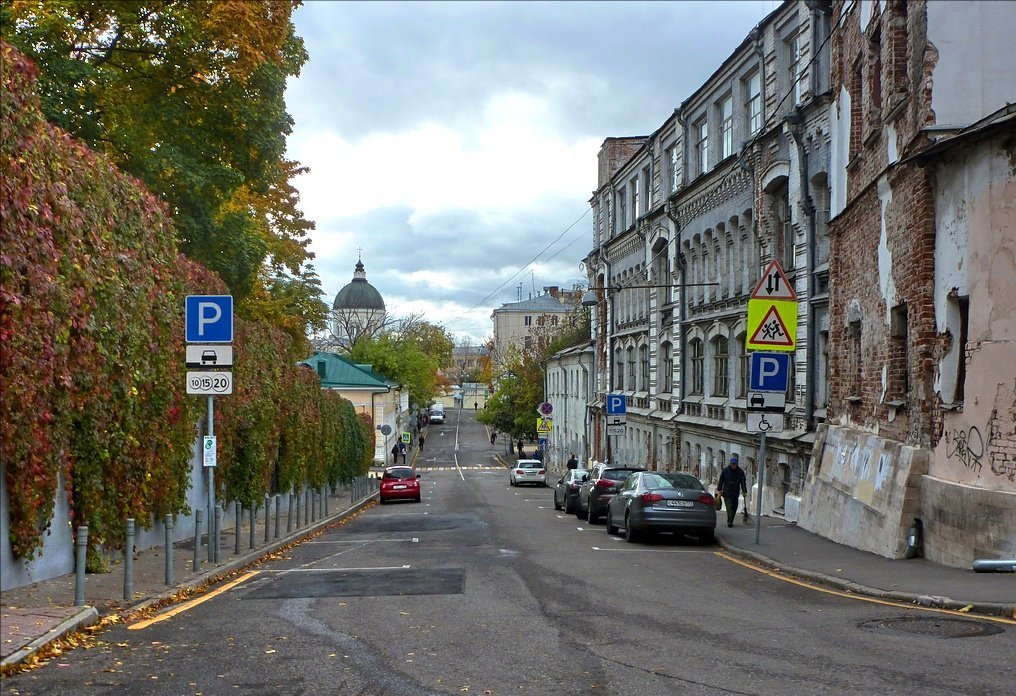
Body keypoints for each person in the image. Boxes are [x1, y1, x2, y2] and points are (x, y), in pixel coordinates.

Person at [717, 456, 748, 527]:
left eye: (735, 464)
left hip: (735, 493)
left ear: (737, 464)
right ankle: (729, 522)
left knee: (734, 507)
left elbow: (743, 482)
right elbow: (721, 480)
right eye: (732, 464)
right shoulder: (725, 471)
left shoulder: (740, 472)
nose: (733, 466)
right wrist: (719, 489)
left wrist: (744, 491)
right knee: (729, 507)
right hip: (727, 493)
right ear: (730, 464)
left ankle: (731, 520)